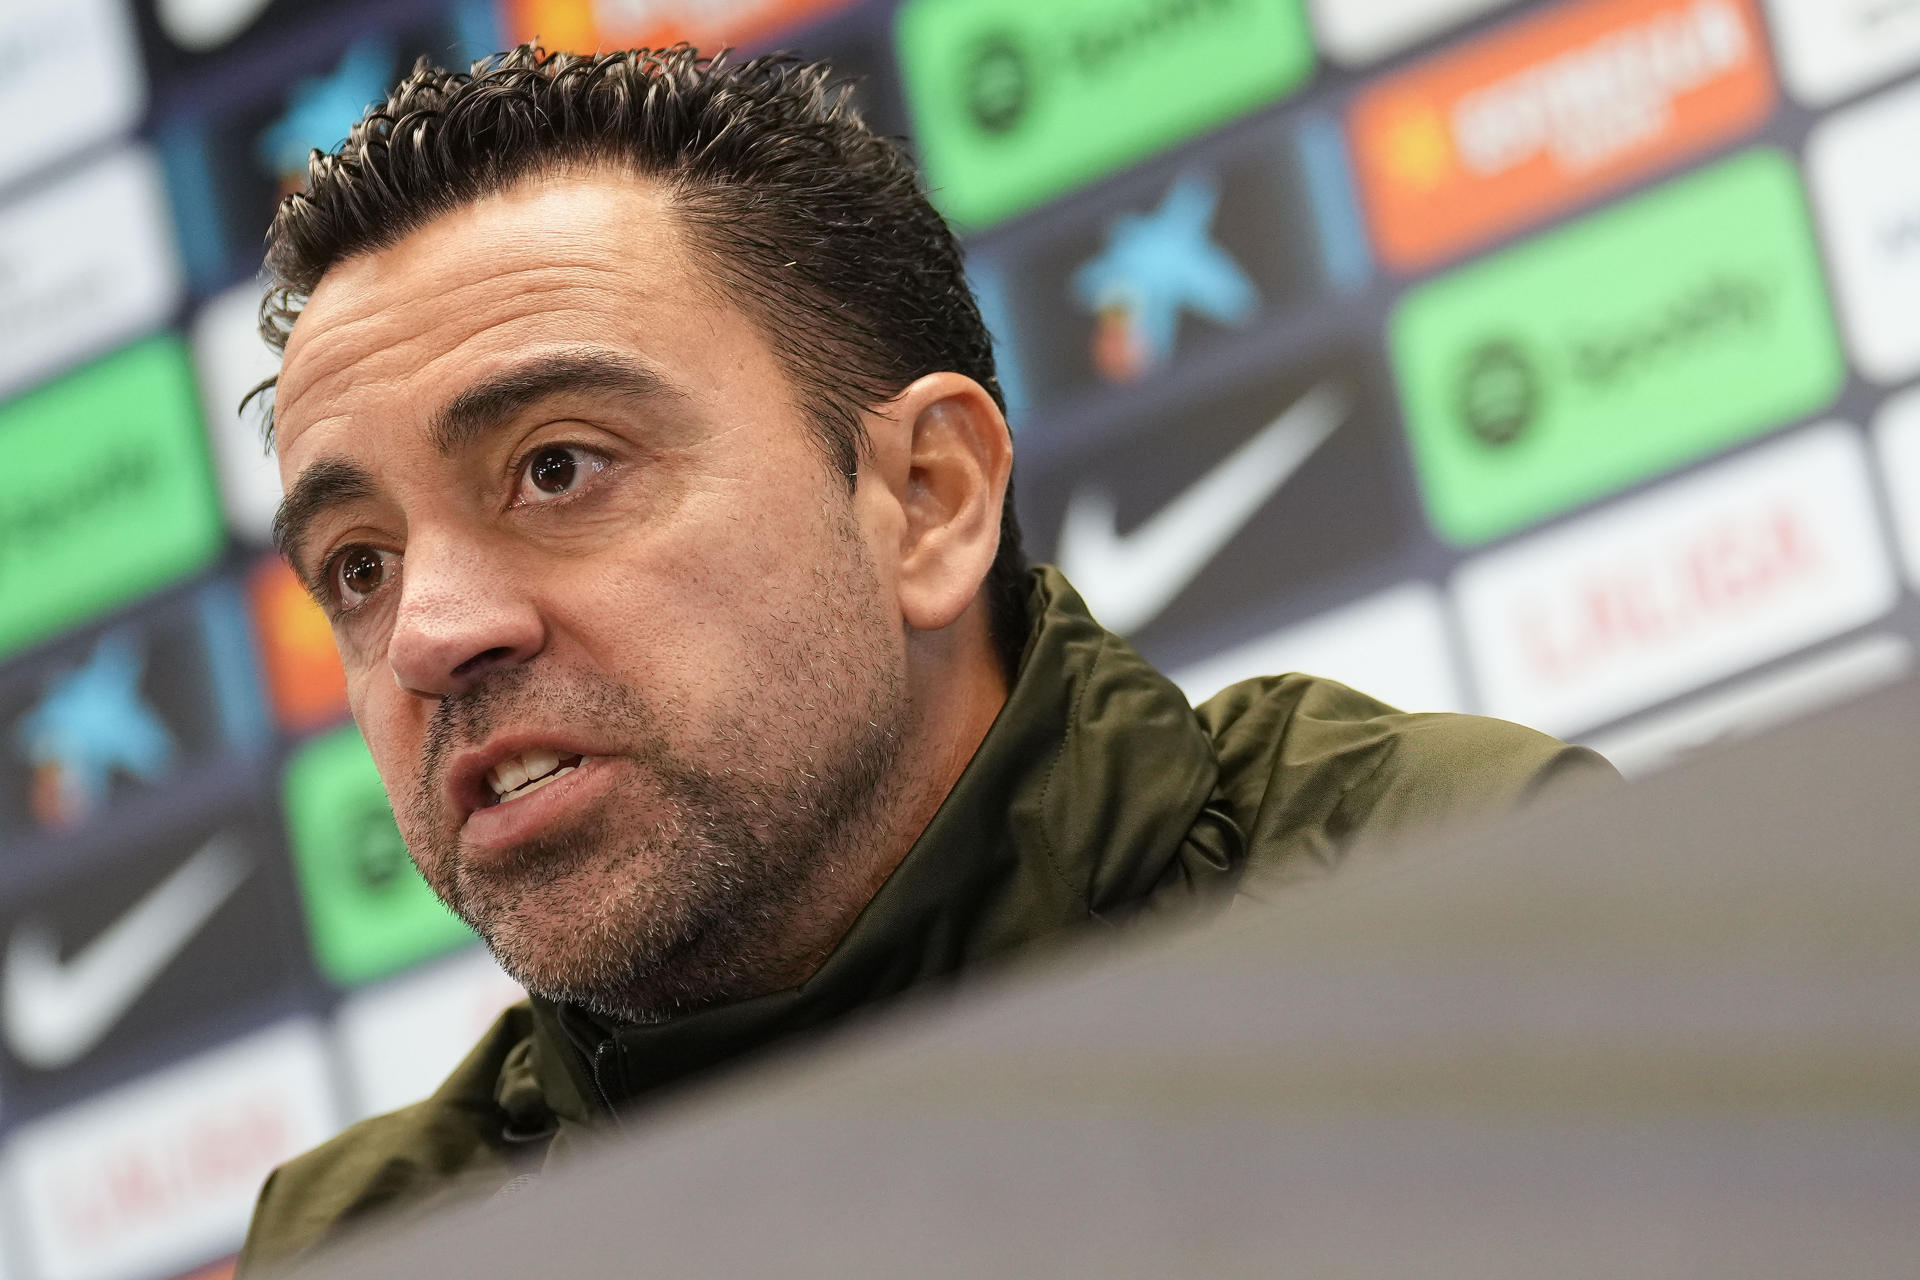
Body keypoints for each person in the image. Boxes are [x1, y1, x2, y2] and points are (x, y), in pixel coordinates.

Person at [236, 44, 1614, 1274]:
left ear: (931, 498)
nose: (430, 632)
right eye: (361, 565)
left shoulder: (1460, 902)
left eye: (557, 467)